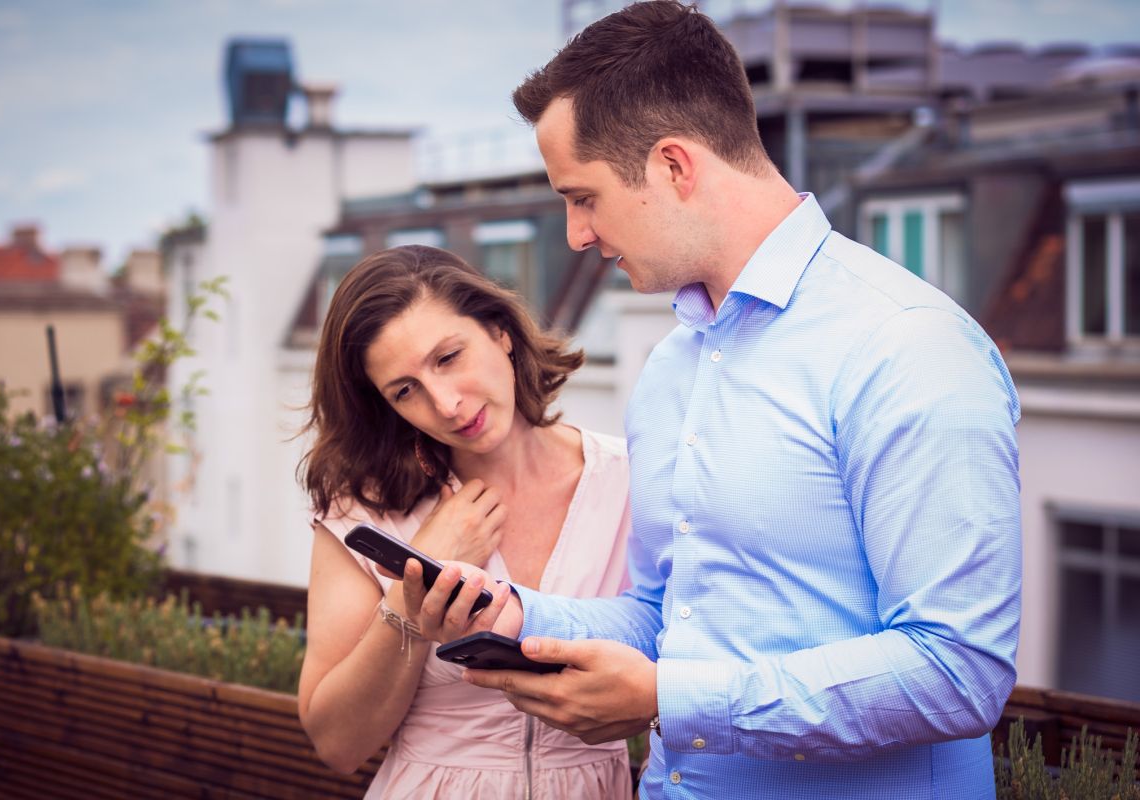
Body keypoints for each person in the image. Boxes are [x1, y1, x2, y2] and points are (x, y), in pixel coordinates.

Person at [398, 3, 1023, 799]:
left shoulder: (907, 347)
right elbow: (670, 617)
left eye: (582, 197)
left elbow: (957, 670)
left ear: (673, 166)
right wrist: (512, 614)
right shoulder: (670, 370)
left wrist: (671, 700)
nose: (576, 236)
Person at [295, 245, 636, 799]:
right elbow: (338, 744)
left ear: (500, 331)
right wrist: (410, 589)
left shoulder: (633, 482)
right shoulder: (366, 512)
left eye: (448, 357)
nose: (448, 404)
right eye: (405, 391)